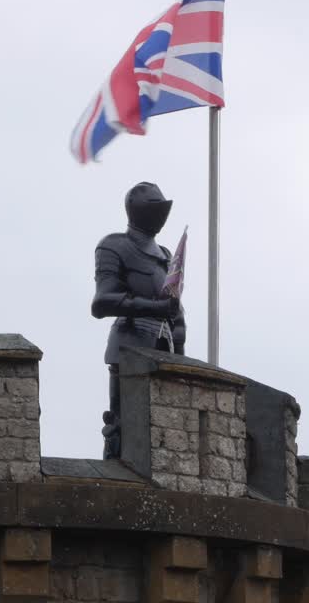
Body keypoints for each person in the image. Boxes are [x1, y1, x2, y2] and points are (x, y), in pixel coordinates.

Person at [91, 181, 186, 458]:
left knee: (165, 432)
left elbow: (176, 311)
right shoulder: (114, 245)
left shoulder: (167, 255)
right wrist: (155, 308)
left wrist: (181, 354)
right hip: (129, 346)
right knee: (124, 430)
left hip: (165, 350)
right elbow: (102, 301)